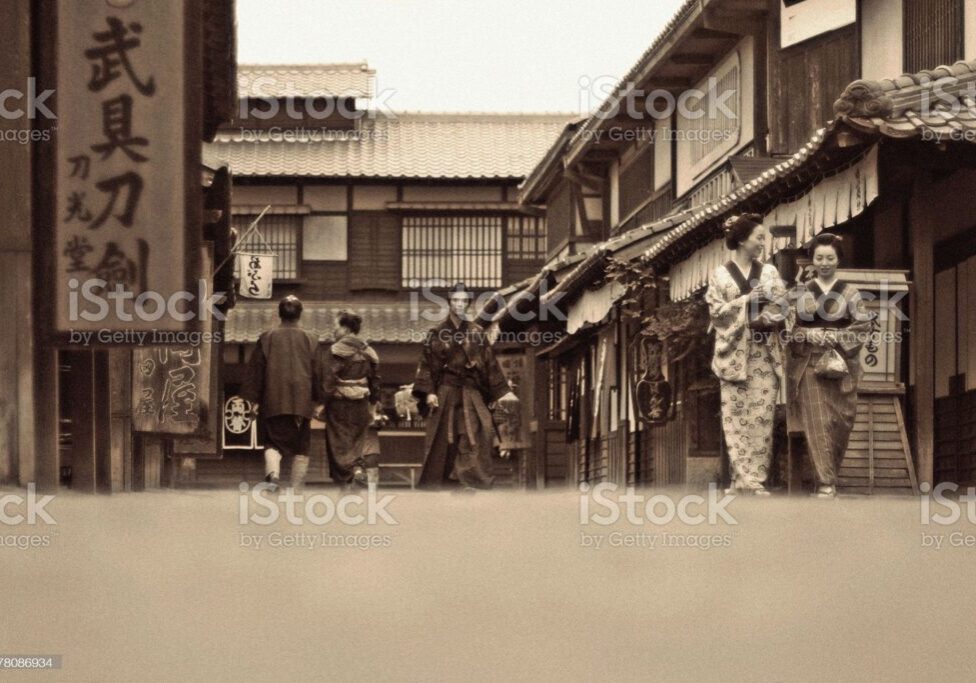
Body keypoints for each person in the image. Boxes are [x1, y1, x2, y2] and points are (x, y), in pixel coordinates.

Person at [705, 214, 786, 495]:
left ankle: (755, 479)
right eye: (759, 238)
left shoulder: (769, 272)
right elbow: (717, 314)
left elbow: (783, 306)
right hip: (733, 354)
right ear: (742, 239)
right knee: (734, 417)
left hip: (763, 352)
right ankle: (741, 477)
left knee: (761, 417)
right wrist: (746, 300)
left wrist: (769, 316)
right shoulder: (719, 275)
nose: (763, 243)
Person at [787, 233, 873, 498]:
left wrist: (836, 337)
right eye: (819, 258)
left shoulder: (850, 293)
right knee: (817, 423)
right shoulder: (800, 292)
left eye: (830, 258)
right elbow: (788, 328)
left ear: (838, 260)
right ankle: (826, 483)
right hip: (810, 364)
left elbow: (863, 326)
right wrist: (807, 334)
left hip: (842, 365)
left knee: (841, 422)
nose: (824, 263)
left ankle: (826, 477)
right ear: (812, 260)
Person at [412, 283, 519, 490]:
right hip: (446, 390)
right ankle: (445, 479)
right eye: (455, 300)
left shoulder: (477, 332)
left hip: (471, 391)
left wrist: (502, 392)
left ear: (468, 303)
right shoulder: (437, 332)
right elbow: (427, 365)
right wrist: (430, 392)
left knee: (478, 432)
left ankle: (469, 480)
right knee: (443, 435)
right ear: (449, 302)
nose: (459, 304)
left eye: (463, 301)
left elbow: (489, 364)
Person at [240, 295, 320, 492]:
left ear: (279, 314)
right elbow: (318, 372)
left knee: (273, 443)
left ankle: (273, 477)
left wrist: (254, 400)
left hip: (273, 400)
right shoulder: (311, 339)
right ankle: (297, 487)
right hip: (302, 402)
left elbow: (256, 371)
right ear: (300, 314)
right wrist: (319, 401)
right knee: (301, 447)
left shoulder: (267, 338)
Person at [318, 311, 381, 488]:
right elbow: (375, 382)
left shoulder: (336, 351)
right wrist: (372, 406)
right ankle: (358, 470)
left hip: (339, 404)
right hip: (361, 404)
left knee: (338, 444)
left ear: (345, 329)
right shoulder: (369, 352)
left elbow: (328, 380)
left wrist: (321, 403)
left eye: (336, 327)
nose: (334, 331)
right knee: (357, 442)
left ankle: (348, 479)